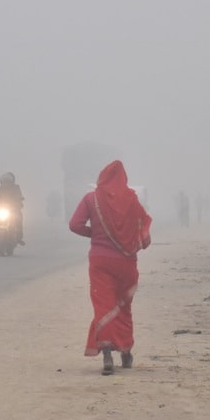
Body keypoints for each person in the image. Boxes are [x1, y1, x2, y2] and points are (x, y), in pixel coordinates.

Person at [69, 160, 152, 376]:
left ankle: (106, 353)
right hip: (126, 263)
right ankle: (126, 353)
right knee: (123, 307)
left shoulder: (91, 199)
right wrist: (133, 241)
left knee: (103, 305)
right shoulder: (132, 201)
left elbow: (74, 225)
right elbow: (145, 235)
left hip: (100, 261)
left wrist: (95, 235)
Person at [0, 172, 25, 245]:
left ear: (12, 181)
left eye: (8, 181)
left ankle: (19, 238)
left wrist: (19, 202)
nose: (6, 183)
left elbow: (19, 196)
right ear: (1, 181)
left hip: (13, 209)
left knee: (18, 219)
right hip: (0, 208)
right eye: (5, 181)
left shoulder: (16, 188)